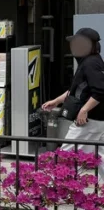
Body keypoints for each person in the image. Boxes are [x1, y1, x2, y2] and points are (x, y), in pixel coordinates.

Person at [42, 27, 104, 183]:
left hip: (89, 120)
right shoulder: (90, 61)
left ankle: (52, 187)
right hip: (97, 120)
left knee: (67, 152)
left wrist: (84, 110)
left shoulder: (91, 63)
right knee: (101, 155)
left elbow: (100, 91)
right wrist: (57, 100)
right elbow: (77, 89)